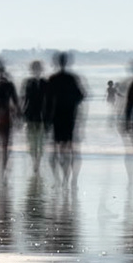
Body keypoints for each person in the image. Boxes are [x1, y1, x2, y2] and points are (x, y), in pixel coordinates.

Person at [43, 51, 85, 182]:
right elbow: (81, 96)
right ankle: (67, 176)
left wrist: (46, 120)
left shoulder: (53, 79)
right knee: (68, 144)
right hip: (69, 113)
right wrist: (72, 103)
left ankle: (59, 176)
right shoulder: (72, 78)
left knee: (57, 143)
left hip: (57, 114)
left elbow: (47, 101)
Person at [21, 60, 48, 168]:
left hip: (41, 115)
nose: (36, 71)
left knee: (40, 141)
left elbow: (49, 100)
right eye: (34, 69)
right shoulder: (27, 82)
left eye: (38, 69)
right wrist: (21, 113)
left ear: (40, 70)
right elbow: (24, 99)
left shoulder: (45, 83)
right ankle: (34, 161)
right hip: (30, 114)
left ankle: (38, 161)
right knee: (32, 140)